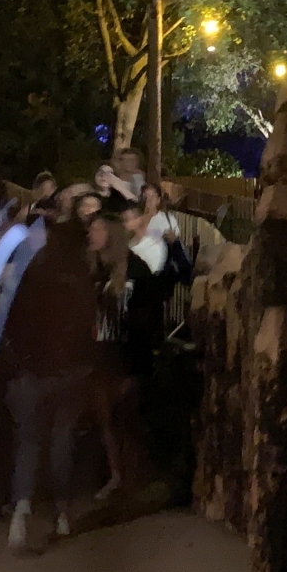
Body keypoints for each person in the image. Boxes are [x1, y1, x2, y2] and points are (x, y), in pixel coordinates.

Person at [0, 217, 97, 551]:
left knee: (28, 442)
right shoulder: (81, 279)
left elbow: (13, 324)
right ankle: (62, 512)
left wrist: (21, 363)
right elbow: (88, 327)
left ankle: (21, 512)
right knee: (62, 442)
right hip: (71, 373)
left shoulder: (30, 276)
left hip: (33, 373)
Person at [88, 213, 159, 502]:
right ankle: (117, 475)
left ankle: (135, 477)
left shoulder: (136, 271)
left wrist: (137, 366)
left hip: (127, 356)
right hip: (101, 355)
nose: (91, 234)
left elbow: (148, 320)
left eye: (98, 229)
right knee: (106, 421)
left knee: (127, 419)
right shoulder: (95, 271)